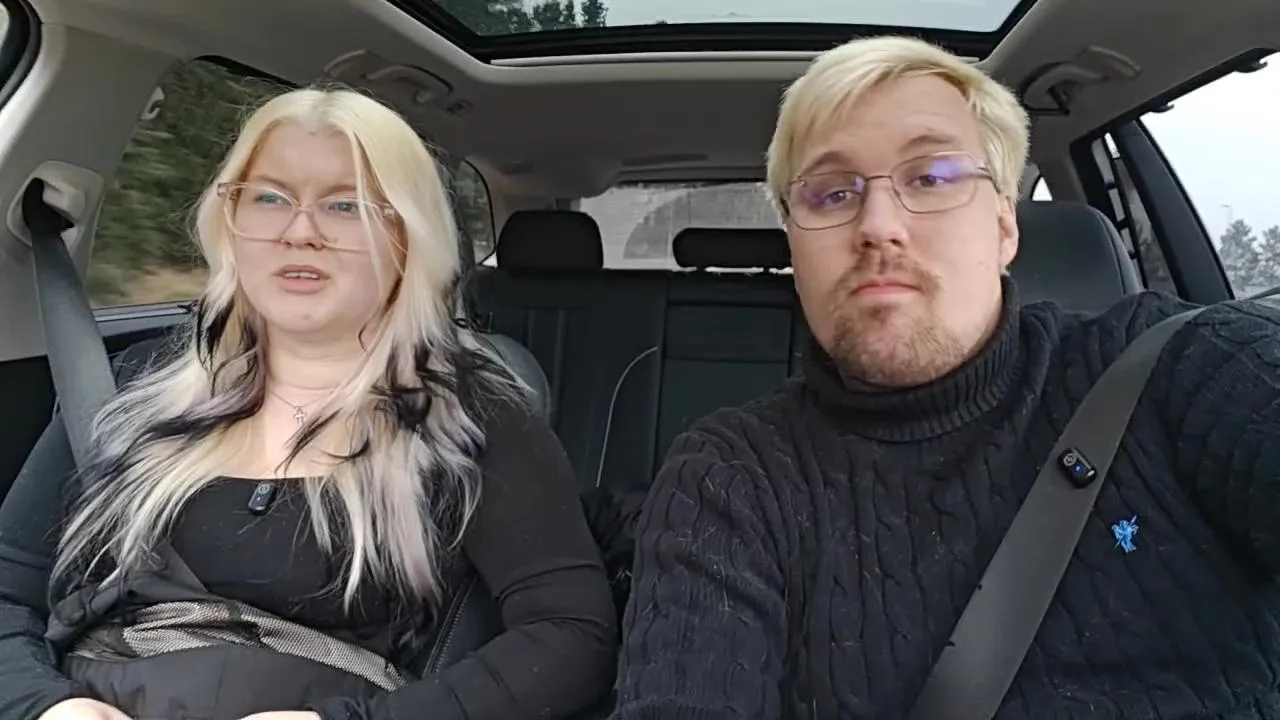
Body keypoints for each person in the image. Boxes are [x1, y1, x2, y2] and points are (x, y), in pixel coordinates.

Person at [611, 35, 1280, 719]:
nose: (878, 226)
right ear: (794, 245)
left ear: (1004, 224)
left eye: (930, 177)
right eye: (832, 193)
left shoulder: (1178, 367)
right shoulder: (729, 477)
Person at [0, 87, 617, 720]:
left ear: (407, 236)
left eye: (346, 205)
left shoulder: (472, 414)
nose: (300, 232)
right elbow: (7, 587)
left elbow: (570, 634)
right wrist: (49, 707)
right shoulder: (127, 389)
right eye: (269, 198)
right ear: (230, 222)